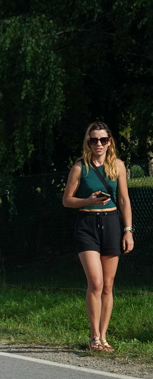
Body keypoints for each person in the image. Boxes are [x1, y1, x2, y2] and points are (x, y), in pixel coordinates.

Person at [62, 121, 134, 352]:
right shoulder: (79, 168)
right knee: (95, 282)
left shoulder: (118, 166)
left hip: (112, 223)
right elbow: (67, 200)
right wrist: (88, 201)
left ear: (110, 141)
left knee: (108, 285)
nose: (99, 144)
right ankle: (94, 337)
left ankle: (103, 337)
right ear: (88, 142)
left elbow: (123, 200)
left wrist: (128, 230)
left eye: (103, 139)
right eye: (94, 140)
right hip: (87, 224)